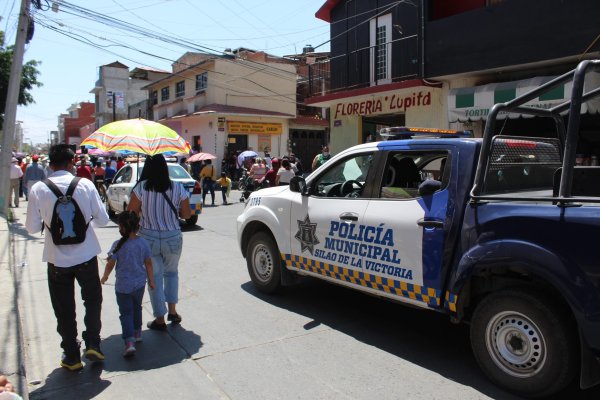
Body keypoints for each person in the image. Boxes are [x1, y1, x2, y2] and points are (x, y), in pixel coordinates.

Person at [25, 144, 110, 371]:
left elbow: (32, 228)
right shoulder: (86, 185)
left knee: (63, 307)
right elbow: (103, 220)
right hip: (86, 255)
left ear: (50, 165)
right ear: (72, 163)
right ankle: (93, 342)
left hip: (56, 260)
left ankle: (71, 355)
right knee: (92, 300)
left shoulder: (39, 189)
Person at [127, 154, 191, 331]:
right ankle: (173, 311)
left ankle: (160, 319)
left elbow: (131, 212)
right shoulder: (177, 187)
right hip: (173, 237)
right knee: (171, 273)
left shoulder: (141, 188)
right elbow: (187, 215)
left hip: (148, 238)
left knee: (154, 278)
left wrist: (142, 213)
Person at [101, 211, 155, 357]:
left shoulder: (117, 245)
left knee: (126, 313)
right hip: (139, 284)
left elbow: (110, 264)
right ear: (137, 226)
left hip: (122, 287)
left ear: (122, 227)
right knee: (137, 308)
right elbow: (148, 263)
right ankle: (137, 333)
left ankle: (129, 342)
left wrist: (105, 276)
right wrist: (151, 280)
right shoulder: (143, 243)